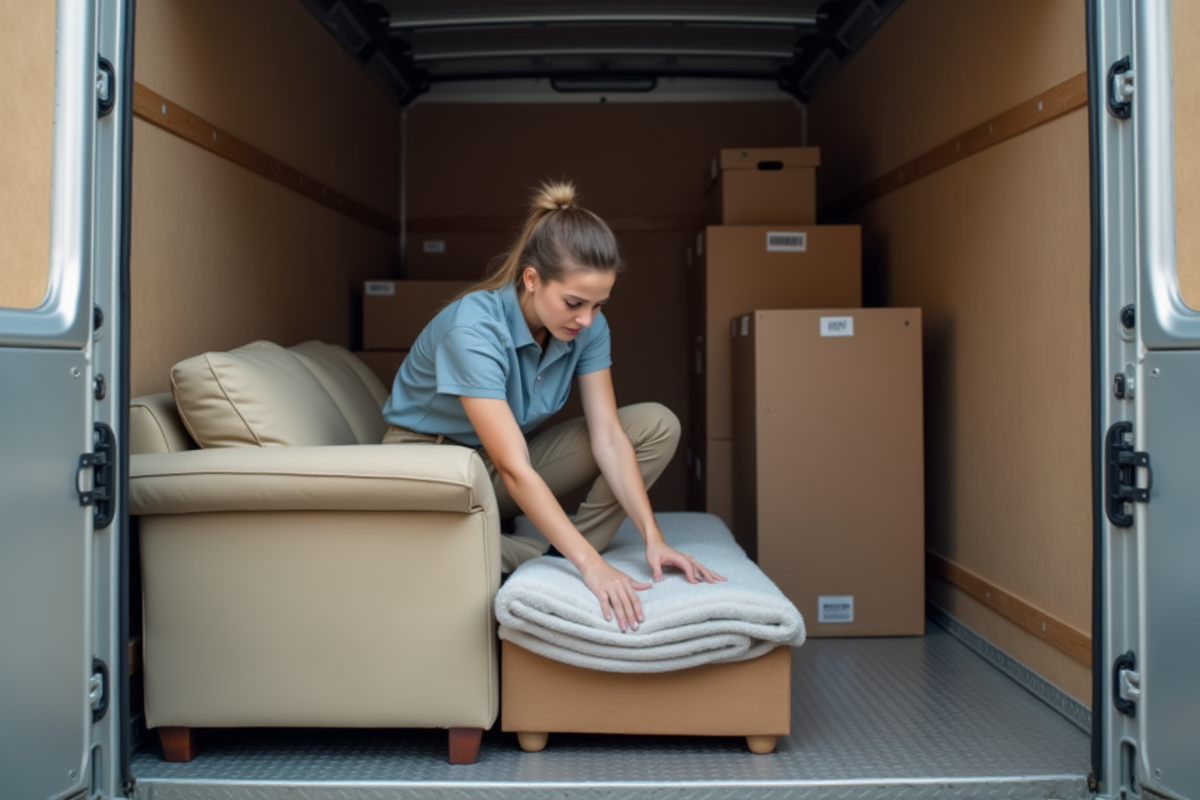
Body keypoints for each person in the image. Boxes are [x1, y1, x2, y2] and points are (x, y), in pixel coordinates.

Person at [381, 180, 724, 632]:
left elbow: (608, 437)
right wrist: (591, 566)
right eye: (574, 303)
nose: (586, 319)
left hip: (499, 463)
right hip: (434, 465)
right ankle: (560, 555)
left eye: (599, 305)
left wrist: (652, 538)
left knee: (656, 425)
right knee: (449, 537)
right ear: (531, 279)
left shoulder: (587, 328)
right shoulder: (473, 329)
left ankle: (551, 552)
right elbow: (513, 467)